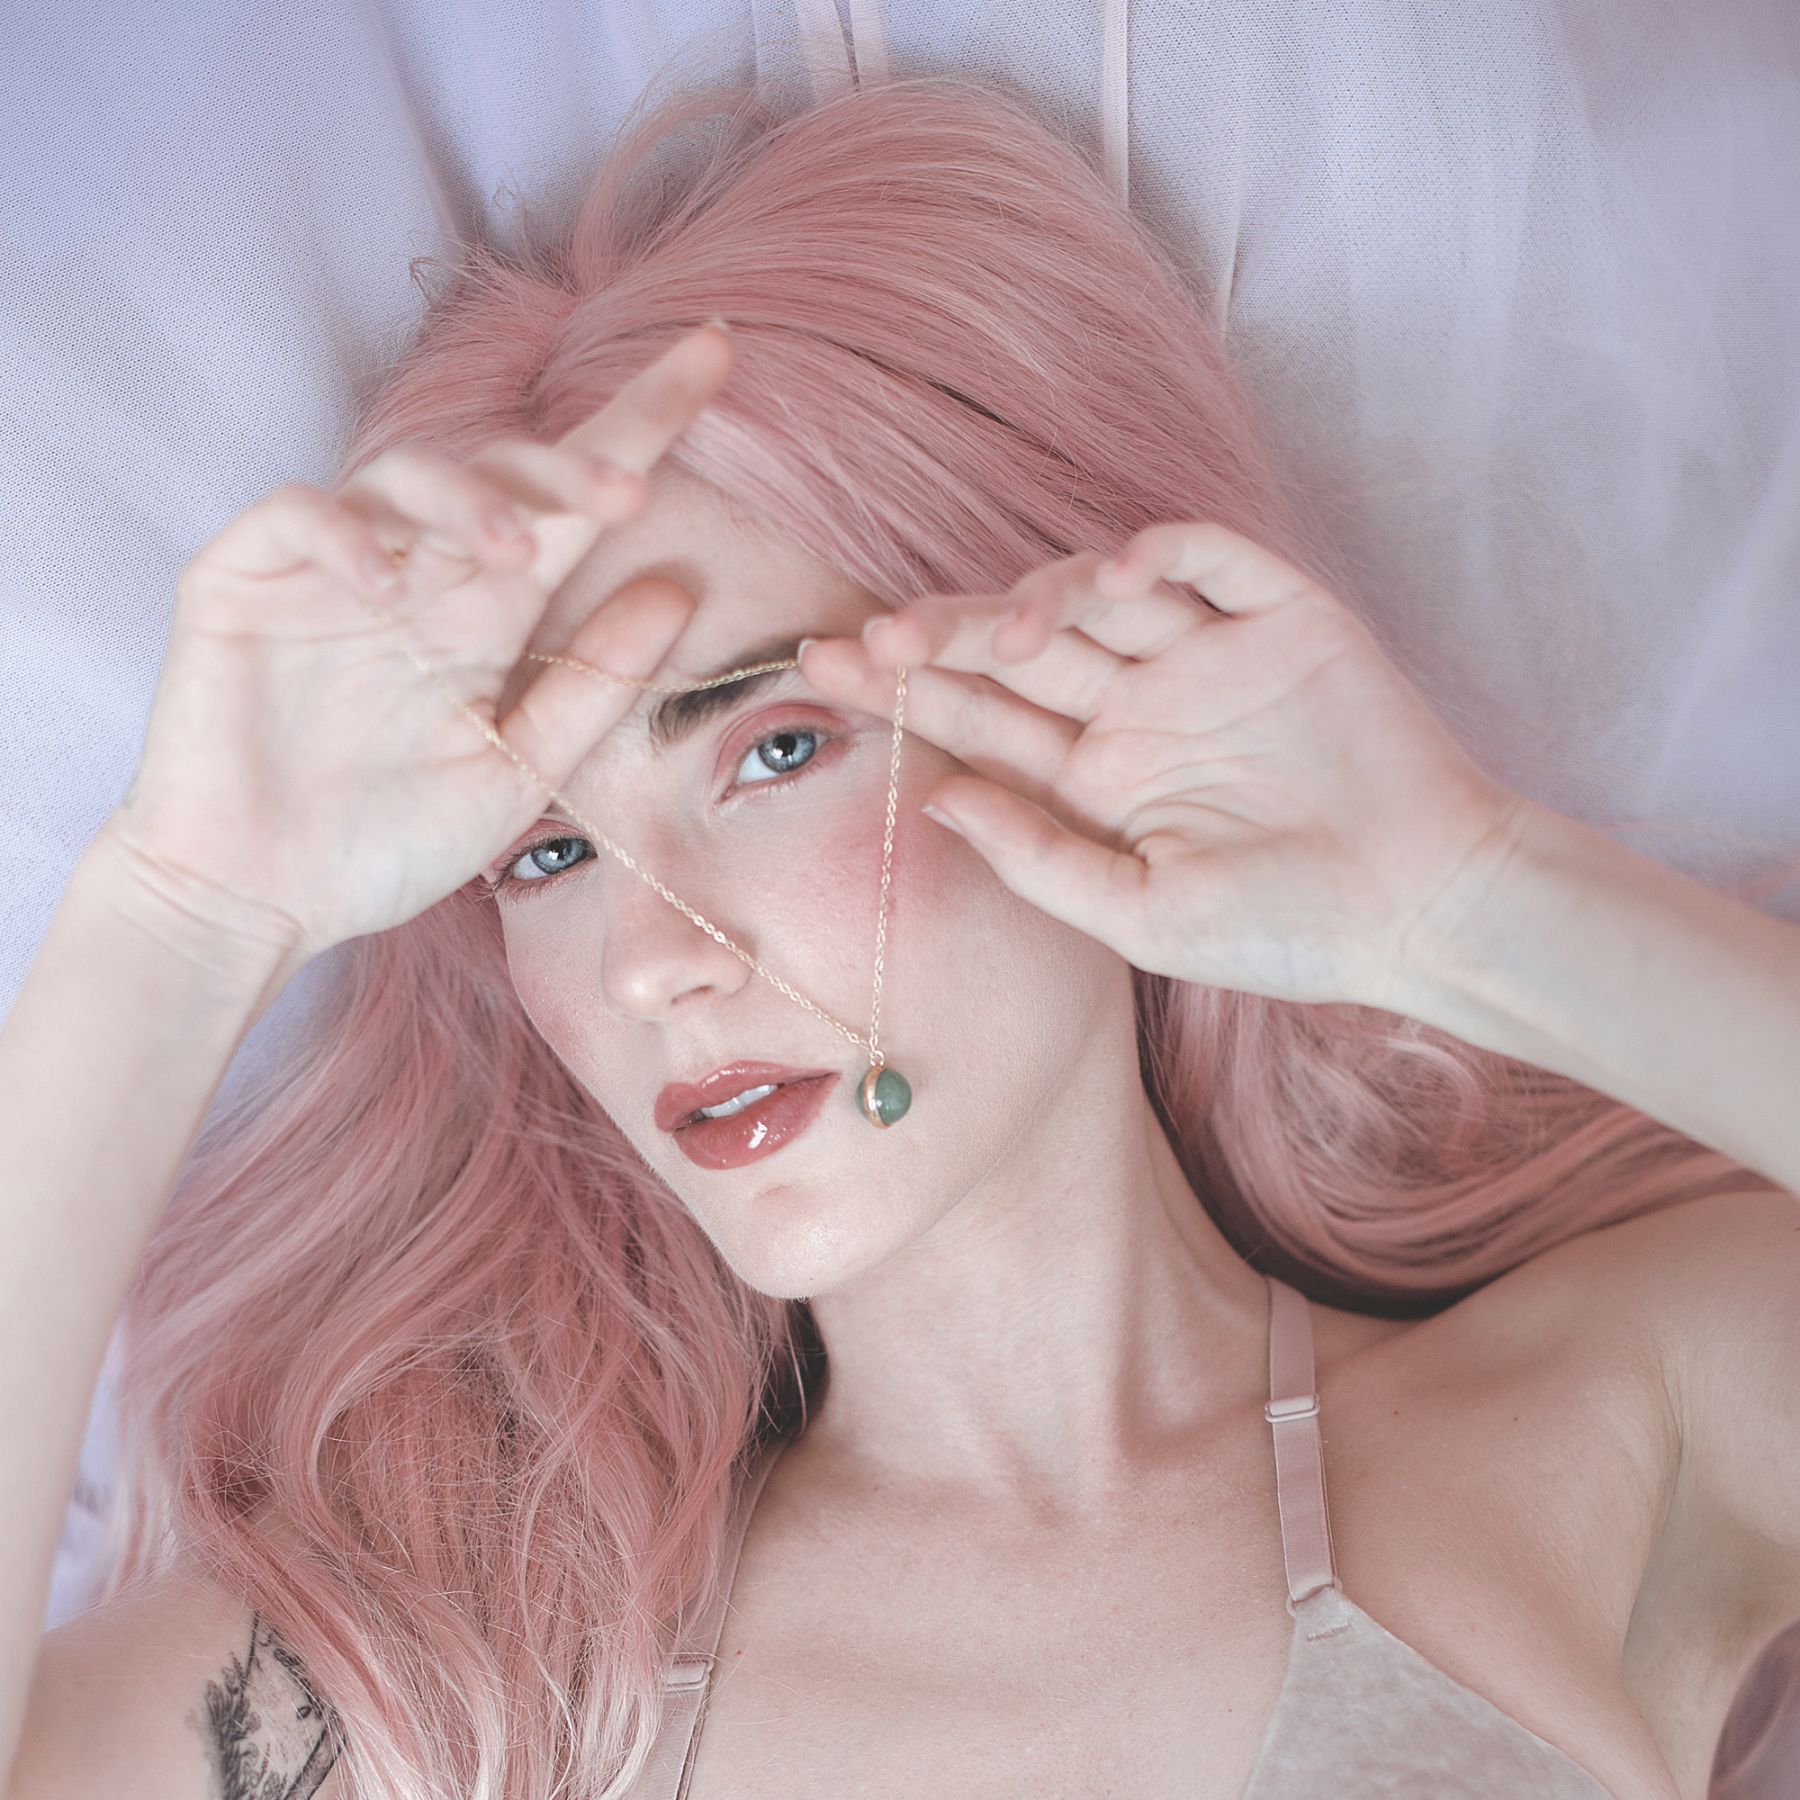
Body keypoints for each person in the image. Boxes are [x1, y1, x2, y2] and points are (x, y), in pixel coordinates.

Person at [3, 70, 1797, 1800]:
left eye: (776, 749)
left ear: (1079, 696)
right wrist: (178, 914)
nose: (650, 960)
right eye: (543, 855)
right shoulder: (481, 1670)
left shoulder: (1609, 1406)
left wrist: (1467, 902)